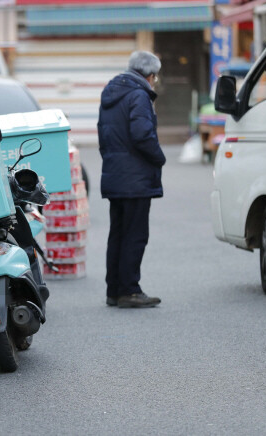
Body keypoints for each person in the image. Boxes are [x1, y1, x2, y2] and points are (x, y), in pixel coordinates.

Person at [97, 50, 166, 309]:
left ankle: (114, 290)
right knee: (135, 235)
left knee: (118, 233)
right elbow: (142, 135)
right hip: (136, 177)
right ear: (149, 75)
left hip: (116, 173)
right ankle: (130, 290)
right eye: (155, 77)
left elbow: (103, 136)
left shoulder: (112, 93)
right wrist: (159, 158)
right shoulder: (138, 95)